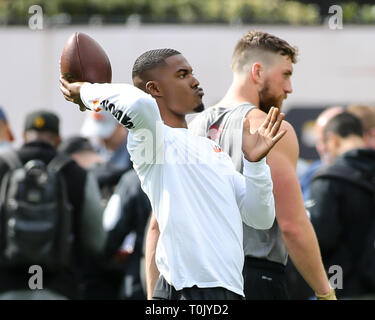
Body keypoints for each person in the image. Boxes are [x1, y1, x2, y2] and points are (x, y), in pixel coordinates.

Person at [60, 48, 284, 300]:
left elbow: (260, 217)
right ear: (155, 88)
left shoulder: (211, 148)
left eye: (192, 73)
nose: (195, 81)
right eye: (182, 74)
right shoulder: (153, 140)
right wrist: (85, 91)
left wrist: (255, 164)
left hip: (228, 290)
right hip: (185, 290)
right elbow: (137, 103)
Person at [187, 30, 335, 300]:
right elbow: (292, 225)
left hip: (192, 280)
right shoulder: (274, 129)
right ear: (257, 72)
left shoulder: (188, 130)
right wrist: (326, 293)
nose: (289, 88)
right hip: (253, 278)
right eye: (286, 74)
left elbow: (157, 227)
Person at [0, 110, 106, 299]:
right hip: (59, 288)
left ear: (24, 136)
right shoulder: (78, 174)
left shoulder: (3, 165)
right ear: (58, 138)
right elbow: (95, 241)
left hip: (6, 287)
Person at [308, 112, 375, 299]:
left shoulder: (328, 179)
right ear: (363, 136)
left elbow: (321, 239)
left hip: (344, 287)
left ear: (333, 140)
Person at [299, 106, 344, 201]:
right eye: (319, 141)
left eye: (326, 140)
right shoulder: (311, 173)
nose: (322, 148)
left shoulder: (365, 173)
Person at [81, 107, 131, 171]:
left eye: (106, 136)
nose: (102, 140)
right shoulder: (96, 149)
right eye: (99, 135)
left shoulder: (139, 157)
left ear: (121, 125)